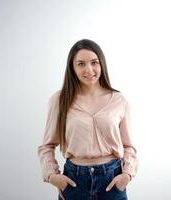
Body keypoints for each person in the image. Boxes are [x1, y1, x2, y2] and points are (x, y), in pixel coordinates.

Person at [37, 39, 138, 200]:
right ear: (72, 67)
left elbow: (129, 146)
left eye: (94, 62)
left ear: (101, 65)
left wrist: (127, 175)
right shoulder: (60, 100)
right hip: (74, 182)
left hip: (111, 182)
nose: (89, 69)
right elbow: (47, 146)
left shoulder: (119, 100)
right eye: (81, 64)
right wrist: (52, 176)